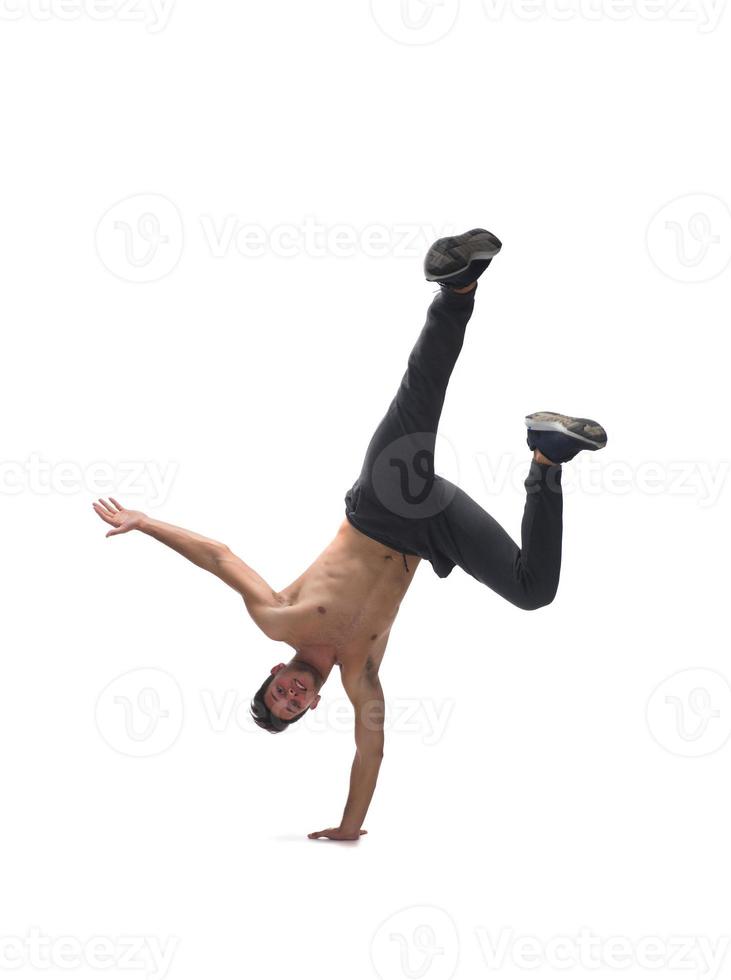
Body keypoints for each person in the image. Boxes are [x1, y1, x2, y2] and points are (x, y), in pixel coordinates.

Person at [92, 228, 607, 841]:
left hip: (381, 509)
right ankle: (547, 456)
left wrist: (146, 523)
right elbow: (371, 751)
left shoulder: (279, 617)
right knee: (532, 590)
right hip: (429, 536)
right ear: (311, 707)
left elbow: (217, 556)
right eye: (291, 706)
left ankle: (457, 283)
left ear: (273, 673)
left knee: (421, 397)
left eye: (275, 692)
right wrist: (348, 827)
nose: (287, 694)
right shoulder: (361, 675)